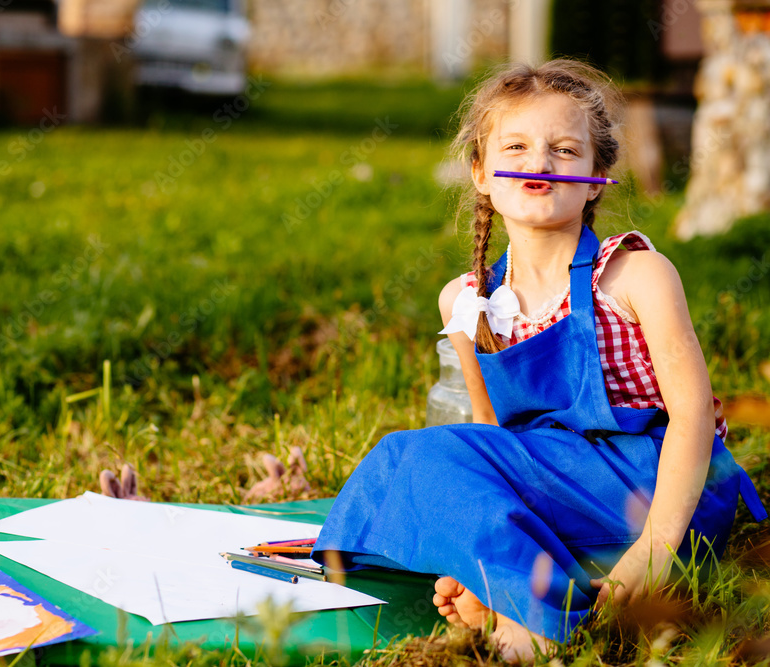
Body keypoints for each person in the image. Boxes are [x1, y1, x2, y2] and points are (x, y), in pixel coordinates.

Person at [311, 60, 767, 662]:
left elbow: (693, 420)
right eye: (517, 147)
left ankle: (537, 617)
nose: (539, 163)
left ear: (596, 175)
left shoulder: (635, 274)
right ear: (481, 172)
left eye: (565, 149)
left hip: (658, 494)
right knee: (414, 460)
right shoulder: (466, 300)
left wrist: (654, 549)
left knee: (411, 455)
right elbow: (491, 435)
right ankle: (511, 587)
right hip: (560, 487)